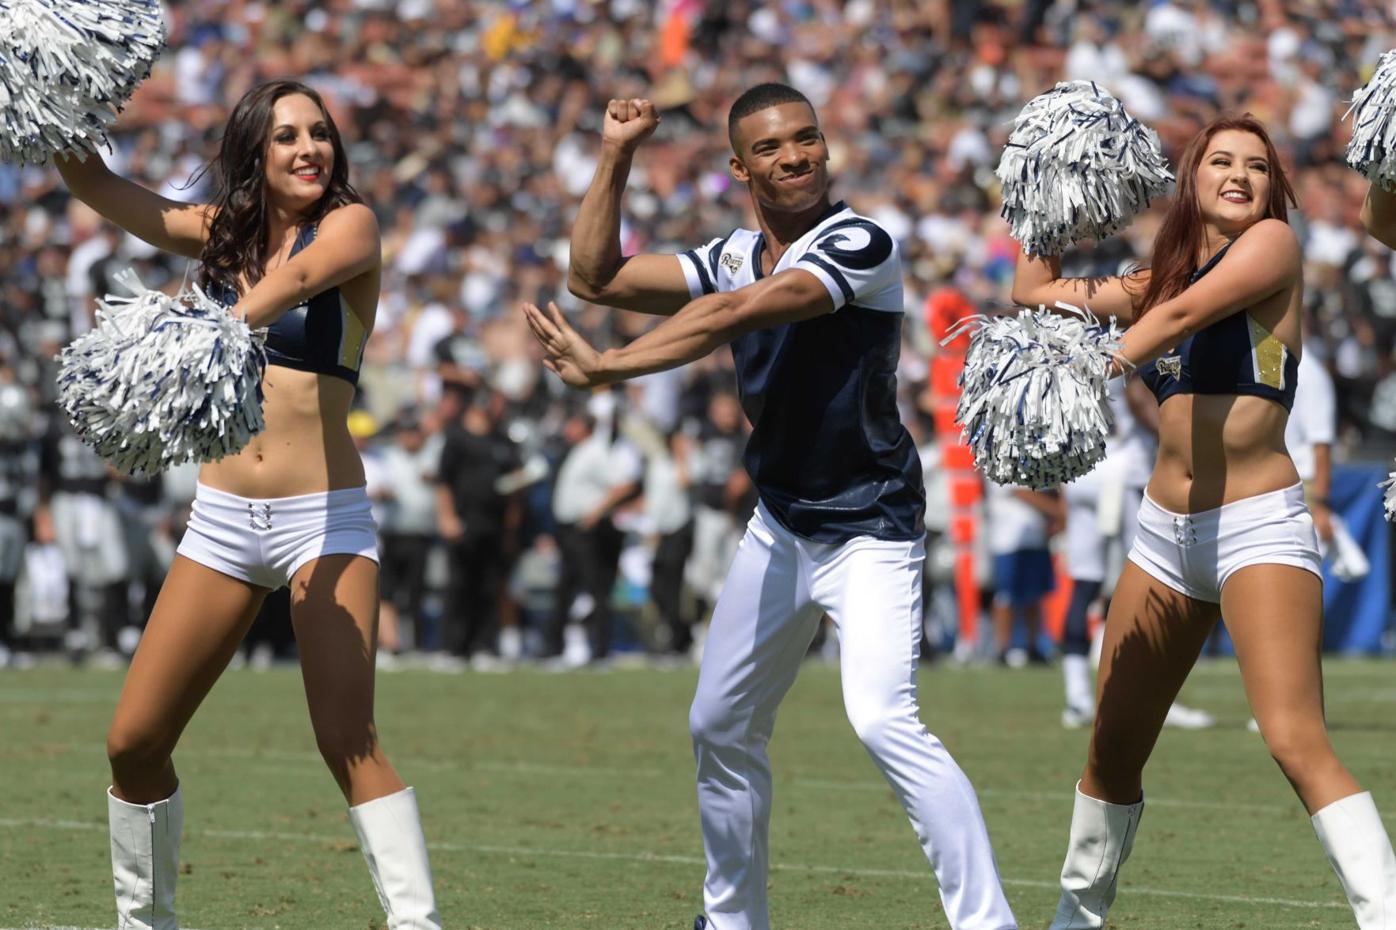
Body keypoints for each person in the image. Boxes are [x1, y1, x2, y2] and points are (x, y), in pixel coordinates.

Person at [527, 84, 1017, 930]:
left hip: (870, 527)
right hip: (782, 526)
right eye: (772, 147)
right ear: (738, 167)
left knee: (880, 719)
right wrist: (616, 155)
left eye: (808, 139)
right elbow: (592, 276)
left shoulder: (861, 241)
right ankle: (730, 921)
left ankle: (988, 923)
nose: (796, 156)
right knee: (718, 724)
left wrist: (610, 369)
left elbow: (739, 309)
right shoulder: (727, 253)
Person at [54, 80, 440, 928]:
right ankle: (145, 922)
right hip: (223, 523)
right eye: (287, 137)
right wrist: (42, 96)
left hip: (324, 517)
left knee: (349, 739)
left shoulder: (353, 226)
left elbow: (299, 278)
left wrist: (202, 319)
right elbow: (93, 183)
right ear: (254, 155)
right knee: (134, 742)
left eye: (320, 134)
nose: (309, 150)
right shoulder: (217, 240)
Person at [1011, 114, 1396, 928]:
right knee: (1111, 749)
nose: (1239, 175)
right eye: (1221, 160)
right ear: (1191, 178)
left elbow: (1181, 321)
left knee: (1294, 739)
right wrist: (1044, 193)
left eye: (1258, 165)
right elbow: (1033, 294)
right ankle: (1073, 921)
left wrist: (1096, 364)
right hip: (1162, 537)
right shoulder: (1159, 280)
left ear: (1273, 188)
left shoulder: (1272, 250)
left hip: (1257, 525)